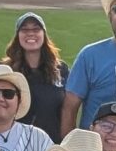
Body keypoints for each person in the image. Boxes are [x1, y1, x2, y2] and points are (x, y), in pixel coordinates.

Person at [4, 12, 70, 142]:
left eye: (36, 29)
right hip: (15, 146)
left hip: (52, 146)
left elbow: (68, 110)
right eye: (24, 30)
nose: (30, 33)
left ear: (44, 35)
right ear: (18, 36)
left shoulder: (61, 70)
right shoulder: (6, 70)